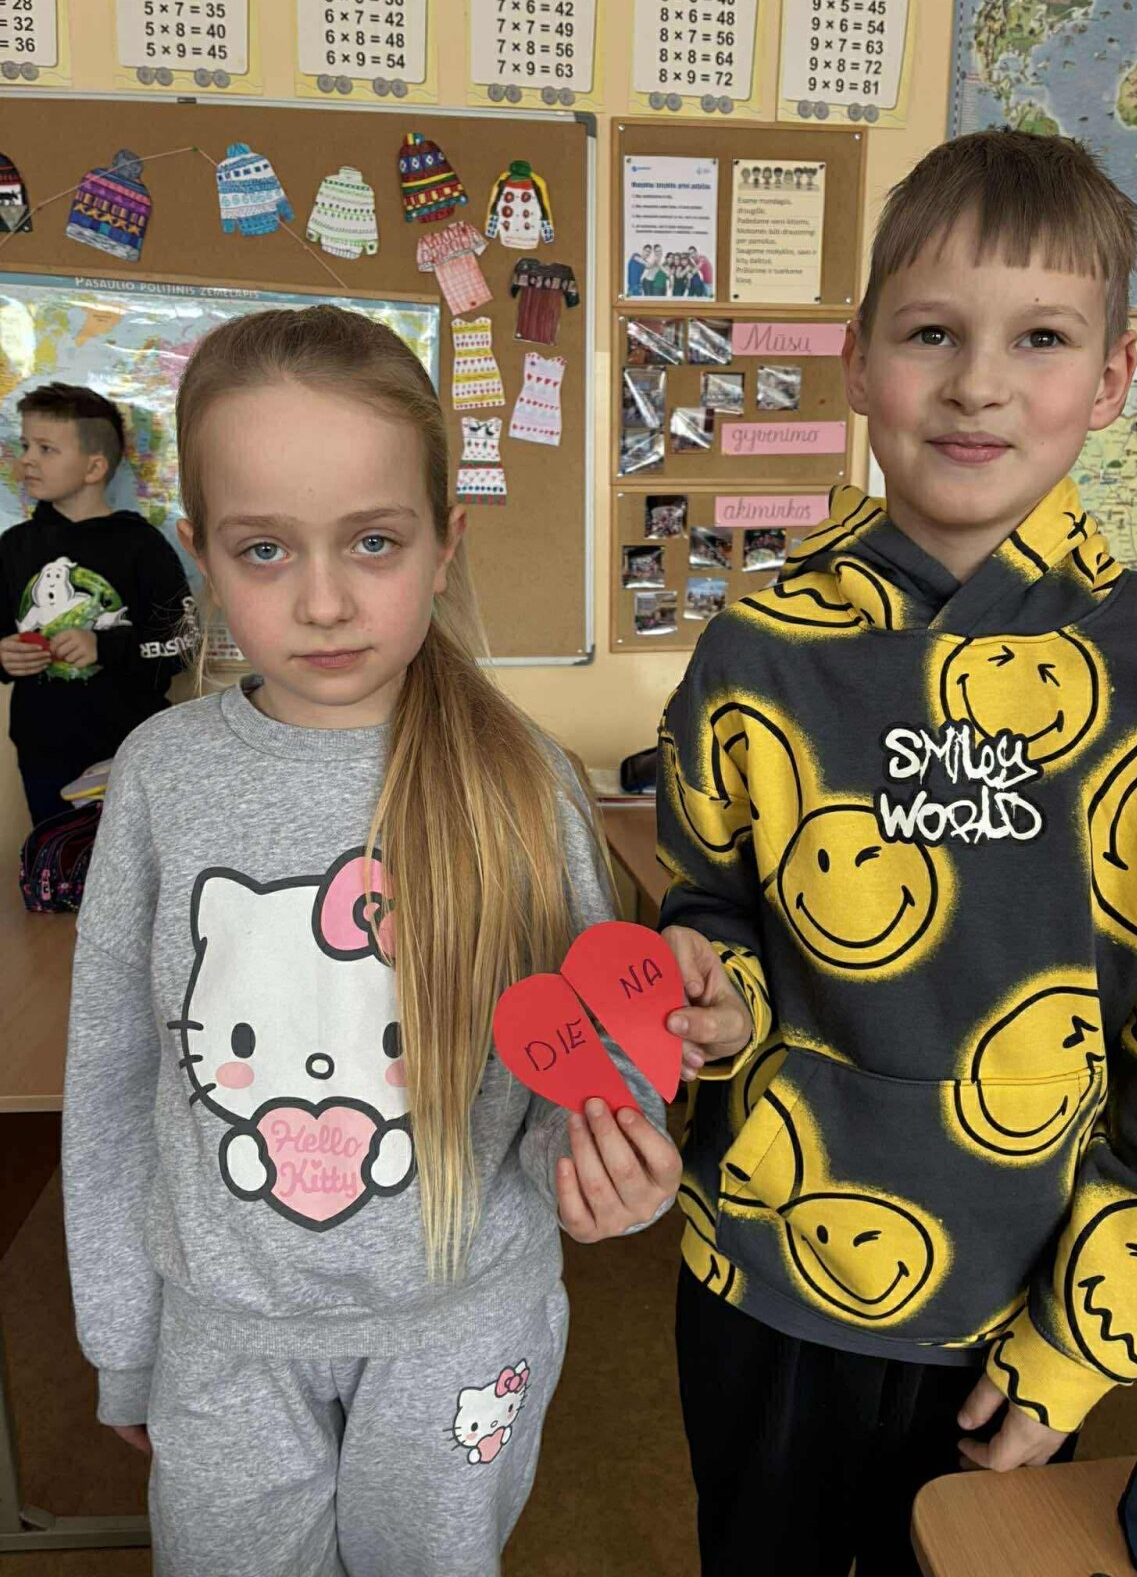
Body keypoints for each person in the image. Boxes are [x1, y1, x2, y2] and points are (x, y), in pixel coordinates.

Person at [656, 128, 1137, 1576]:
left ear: (1112, 379)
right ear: (858, 361)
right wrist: (710, 993)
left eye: (1040, 338)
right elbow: (712, 903)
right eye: (932, 333)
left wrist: (1085, 1346)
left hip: (1014, 1314)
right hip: (764, 1267)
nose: (977, 383)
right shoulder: (758, 649)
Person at [62, 306, 679, 1577]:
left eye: (374, 541)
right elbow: (115, 1078)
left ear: (446, 543)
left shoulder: (524, 776)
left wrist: (609, 1159)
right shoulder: (164, 775)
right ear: (201, 552)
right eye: (265, 548)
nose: (326, 599)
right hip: (226, 1332)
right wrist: (123, 1339)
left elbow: (582, 1052)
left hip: (464, 1328)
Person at [0, 383, 189, 825]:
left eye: (46, 448)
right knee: (56, 861)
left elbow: (182, 644)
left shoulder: (141, 545)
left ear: (94, 467)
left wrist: (104, 646)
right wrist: (3, 654)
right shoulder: (14, 547)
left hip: (131, 748)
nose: (27, 459)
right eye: (26, 445)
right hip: (43, 751)